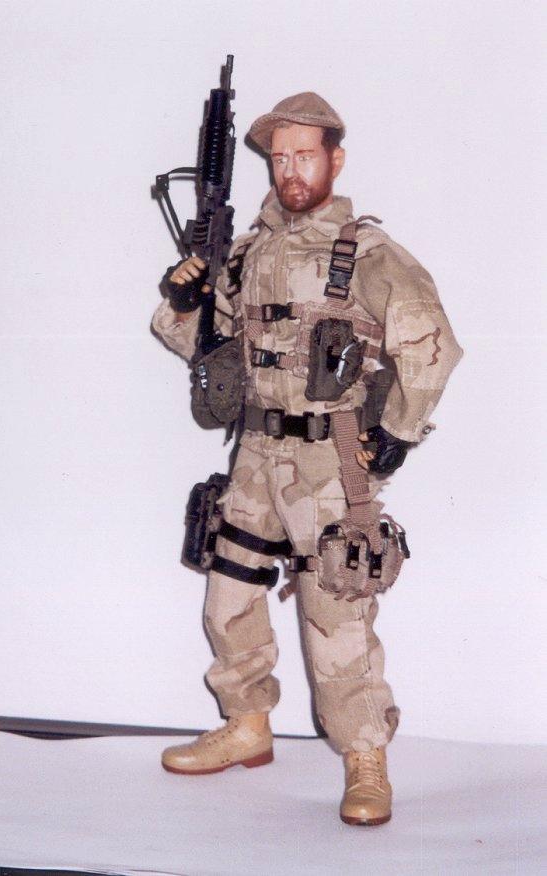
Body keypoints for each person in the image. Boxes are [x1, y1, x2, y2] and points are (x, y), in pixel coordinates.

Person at [152, 93, 462, 825]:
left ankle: (364, 756)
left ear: (335, 160)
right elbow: (201, 347)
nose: (291, 170)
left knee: (336, 615)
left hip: (329, 463)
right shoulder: (248, 252)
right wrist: (183, 299)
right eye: (280, 157)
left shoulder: (367, 252)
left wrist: (399, 431)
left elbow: (433, 345)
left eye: (305, 155)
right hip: (255, 455)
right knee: (229, 597)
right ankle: (246, 724)